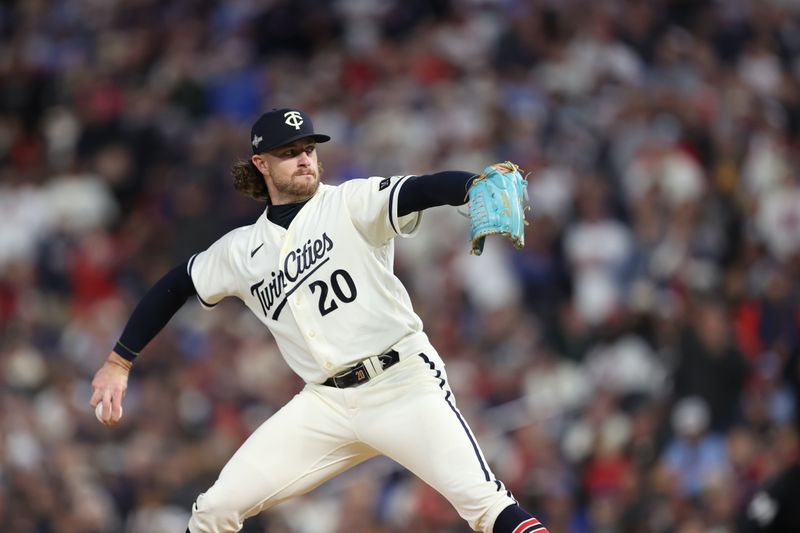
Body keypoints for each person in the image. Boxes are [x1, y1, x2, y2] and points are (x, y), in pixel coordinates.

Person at [90, 108, 549, 533]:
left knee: (486, 505)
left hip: (401, 385)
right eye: (289, 153)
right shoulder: (240, 249)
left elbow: (418, 189)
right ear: (261, 164)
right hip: (324, 406)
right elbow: (174, 285)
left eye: (309, 149)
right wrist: (119, 362)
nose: (304, 159)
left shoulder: (350, 202)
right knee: (215, 509)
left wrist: (469, 186)